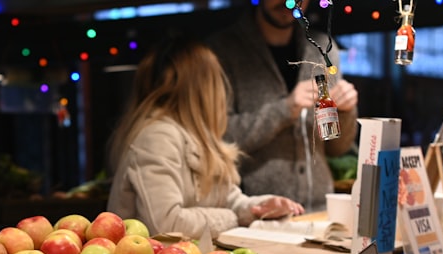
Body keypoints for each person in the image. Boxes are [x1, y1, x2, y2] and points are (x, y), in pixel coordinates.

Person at [107, 37, 305, 240]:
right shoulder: (157, 136)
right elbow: (165, 224)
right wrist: (234, 218)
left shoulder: (196, 135)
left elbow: (230, 200)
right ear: (205, 88)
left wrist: (259, 207)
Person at [207, 0, 359, 210]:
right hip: (257, 211)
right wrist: (285, 109)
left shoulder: (322, 48)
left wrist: (344, 111)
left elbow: (336, 146)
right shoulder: (222, 50)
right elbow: (218, 138)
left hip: (320, 209)